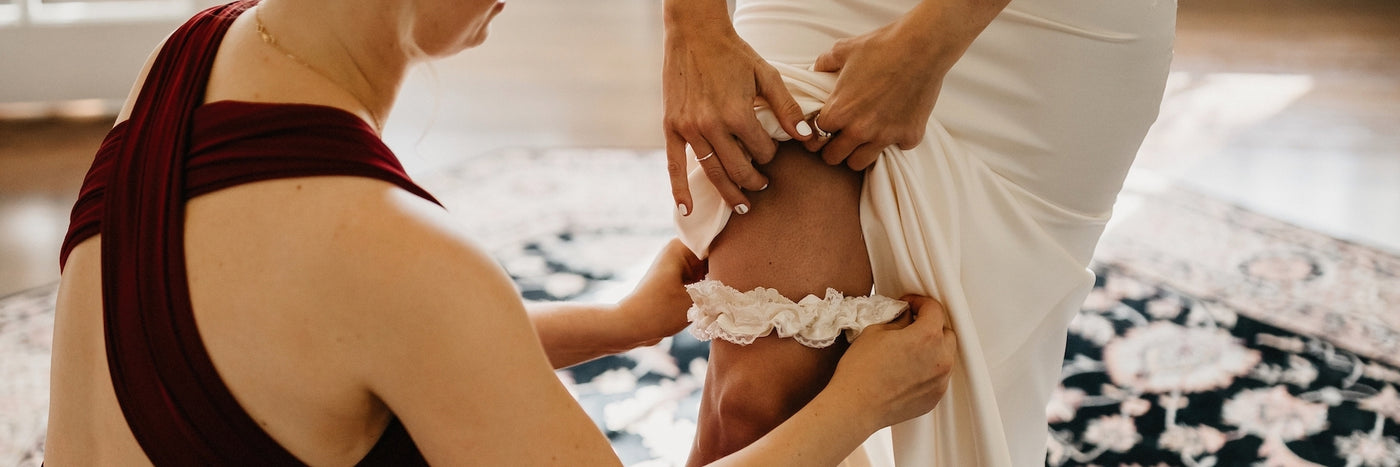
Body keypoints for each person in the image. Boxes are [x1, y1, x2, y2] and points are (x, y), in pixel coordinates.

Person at [42, 0, 961, 464]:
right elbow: (393, 302)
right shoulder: (395, 253)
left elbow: (309, 351)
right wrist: (859, 407)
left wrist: (618, 323)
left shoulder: (194, 53)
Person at [663, 0, 1175, 465]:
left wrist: (930, 41)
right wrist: (691, 26)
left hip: (1050, 35)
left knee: (980, 373)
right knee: (750, 408)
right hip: (814, 18)